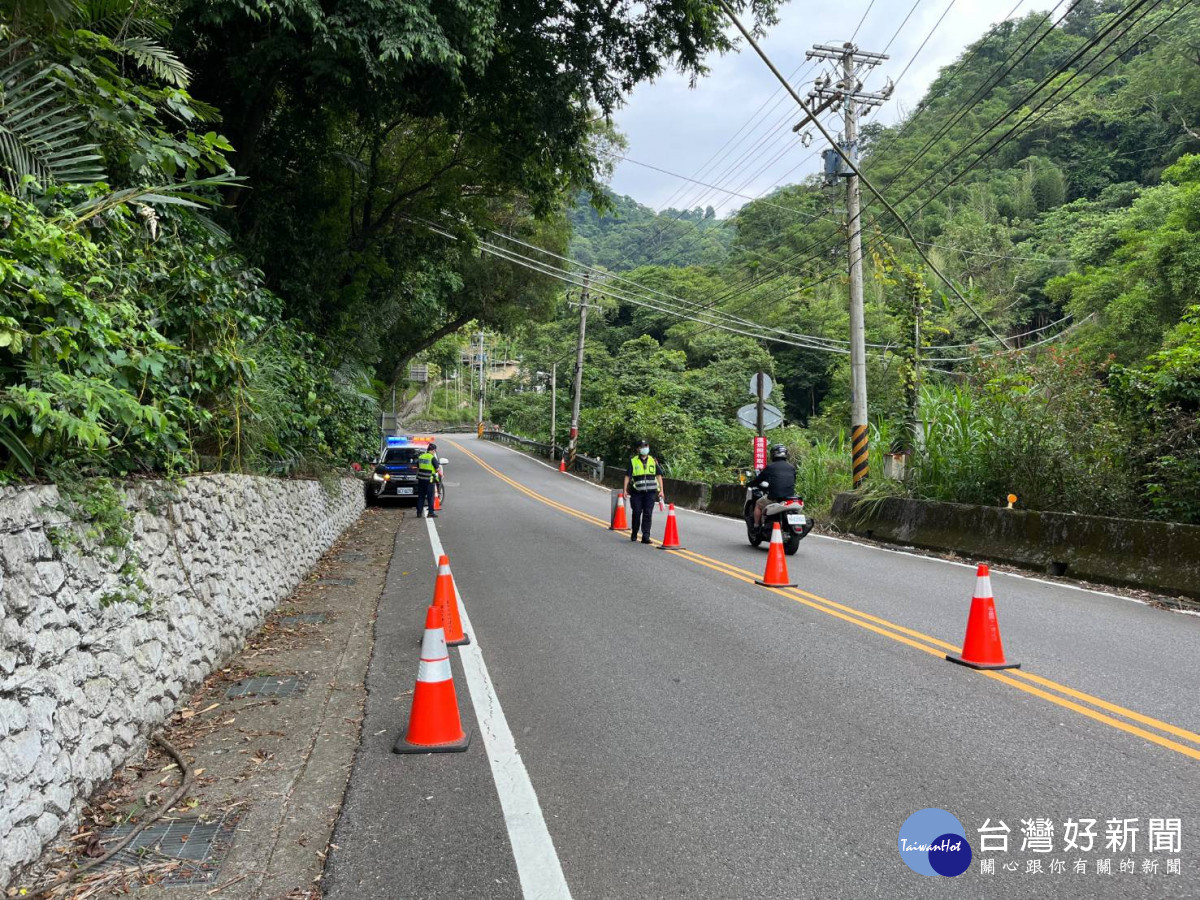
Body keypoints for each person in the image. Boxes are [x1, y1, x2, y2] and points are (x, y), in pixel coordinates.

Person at [623, 439, 664, 544]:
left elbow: (659, 476)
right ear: (638, 449)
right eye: (642, 446)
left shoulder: (653, 460)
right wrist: (625, 490)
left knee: (648, 513)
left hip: (650, 492)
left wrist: (661, 491)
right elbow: (627, 476)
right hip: (636, 492)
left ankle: (646, 536)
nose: (645, 448)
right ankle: (634, 533)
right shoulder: (633, 461)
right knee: (636, 512)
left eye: (646, 446)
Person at [753, 444, 797, 528]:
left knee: (758, 504)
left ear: (773, 454)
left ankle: (756, 525)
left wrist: (751, 484)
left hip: (775, 497)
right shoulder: (792, 467)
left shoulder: (770, 467)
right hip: (790, 497)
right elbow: (794, 480)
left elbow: (759, 480)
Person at [416, 442, 442, 518]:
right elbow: (437, 469)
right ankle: (430, 512)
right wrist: (440, 473)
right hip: (429, 480)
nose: (434, 452)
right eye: (434, 451)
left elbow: (418, 466)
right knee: (430, 497)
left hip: (421, 480)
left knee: (421, 496)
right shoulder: (432, 458)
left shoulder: (421, 457)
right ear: (433, 450)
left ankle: (419, 513)